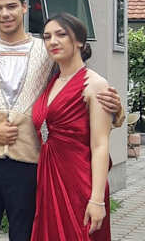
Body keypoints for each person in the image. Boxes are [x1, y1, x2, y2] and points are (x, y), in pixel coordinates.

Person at [0, 0, 123, 241]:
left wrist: (114, 109)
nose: (5, 14)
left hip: (32, 166)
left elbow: (76, 91)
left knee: (28, 235)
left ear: (24, 7)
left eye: (11, 6)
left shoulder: (48, 51)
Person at [31, 13, 112, 240]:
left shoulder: (95, 84)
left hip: (80, 183)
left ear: (79, 41)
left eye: (61, 34)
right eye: (47, 37)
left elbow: (100, 145)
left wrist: (97, 199)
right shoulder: (51, 82)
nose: (53, 41)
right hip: (49, 179)